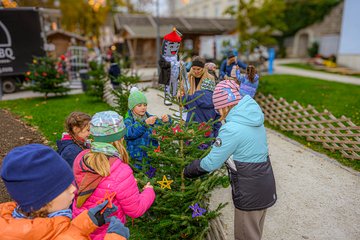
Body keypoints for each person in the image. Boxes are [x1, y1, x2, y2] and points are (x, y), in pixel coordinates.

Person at [184, 80, 277, 240]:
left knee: (244, 236)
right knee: (255, 233)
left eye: (219, 108)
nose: (218, 113)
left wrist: (190, 169)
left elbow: (212, 162)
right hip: (265, 185)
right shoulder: (253, 118)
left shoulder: (231, 128)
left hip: (249, 192)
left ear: (226, 105)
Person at [0, 144, 130, 240]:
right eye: (65, 187)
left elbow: (56, 232)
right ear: (44, 200)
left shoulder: (15, 223)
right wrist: (115, 237)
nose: (74, 189)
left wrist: (87, 222)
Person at [72, 110, 155, 240]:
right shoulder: (121, 171)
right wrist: (149, 192)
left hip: (82, 227)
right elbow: (135, 210)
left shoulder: (81, 158)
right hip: (108, 233)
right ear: (120, 138)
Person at [124, 88, 170, 169]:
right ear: (132, 107)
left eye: (145, 105)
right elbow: (129, 133)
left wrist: (167, 120)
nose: (143, 107)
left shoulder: (150, 117)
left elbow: (163, 126)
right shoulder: (128, 120)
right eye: (139, 105)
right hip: (136, 158)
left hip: (152, 156)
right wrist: (144, 124)